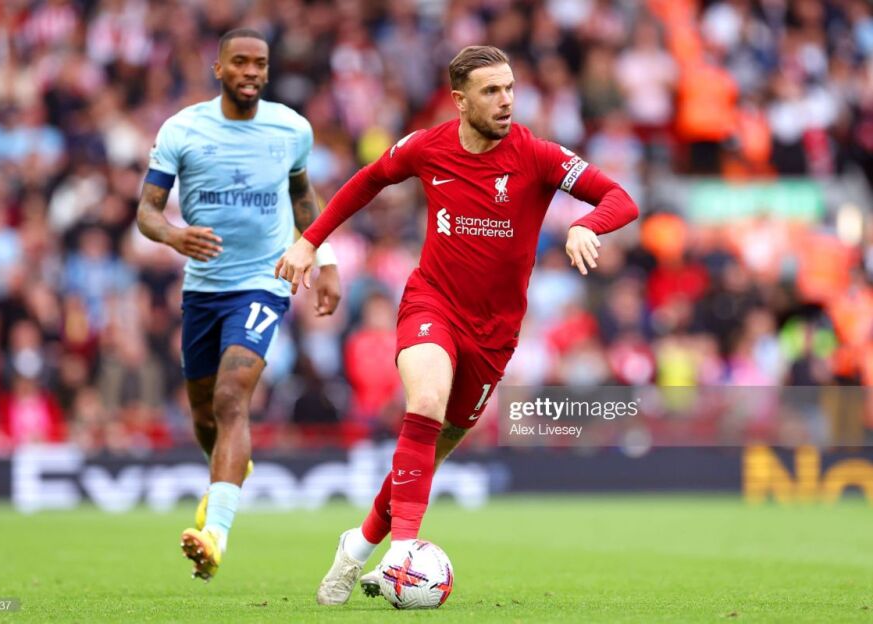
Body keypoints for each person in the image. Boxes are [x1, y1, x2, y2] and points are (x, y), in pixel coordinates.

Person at [275, 45, 638, 604]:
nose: (506, 100)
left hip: (495, 334)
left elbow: (620, 198)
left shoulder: (538, 156)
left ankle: (359, 545)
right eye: (491, 91)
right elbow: (368, 181)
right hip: (433, 303)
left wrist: (587, 225)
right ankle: (403, 553)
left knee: (431, 450)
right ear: (460, 100)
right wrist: (310, 241)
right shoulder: (429, 147)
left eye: (510, 88)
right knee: (425, 401)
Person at [136, 28, 341, 581]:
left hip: (264, 281)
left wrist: (325, 261)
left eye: (260, 64)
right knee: (205, 414)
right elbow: (147, 211)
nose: (251, 72)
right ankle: (231, 469)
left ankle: (216, 536)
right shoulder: (183, 129)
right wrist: (173, 235)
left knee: (232, 397)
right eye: (240, 62)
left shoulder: (291, 128)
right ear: (219, 69)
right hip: (203, 288)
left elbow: (302, 196)